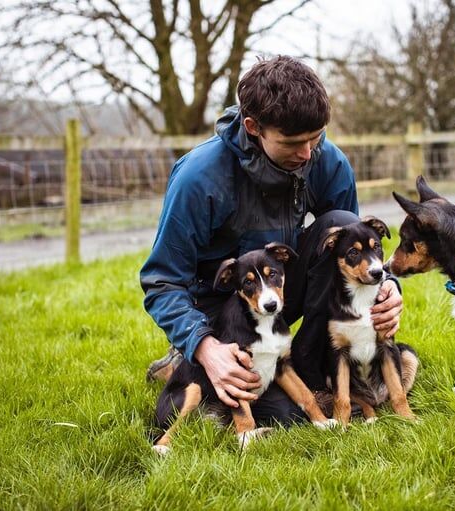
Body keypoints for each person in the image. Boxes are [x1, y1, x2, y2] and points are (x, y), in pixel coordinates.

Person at [140, 55, 409, 426]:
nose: (308, 153)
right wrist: (205, 345)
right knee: (281, 416)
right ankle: (185, 361)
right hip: (222, 312)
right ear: (253, 127)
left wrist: (387, 289)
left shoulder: (327, 161)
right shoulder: (198, 178)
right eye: (294, 143)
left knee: (342, 222)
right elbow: (162, 281)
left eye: (316, 138)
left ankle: (312, 372)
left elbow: (355, 245)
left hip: (281, 288)